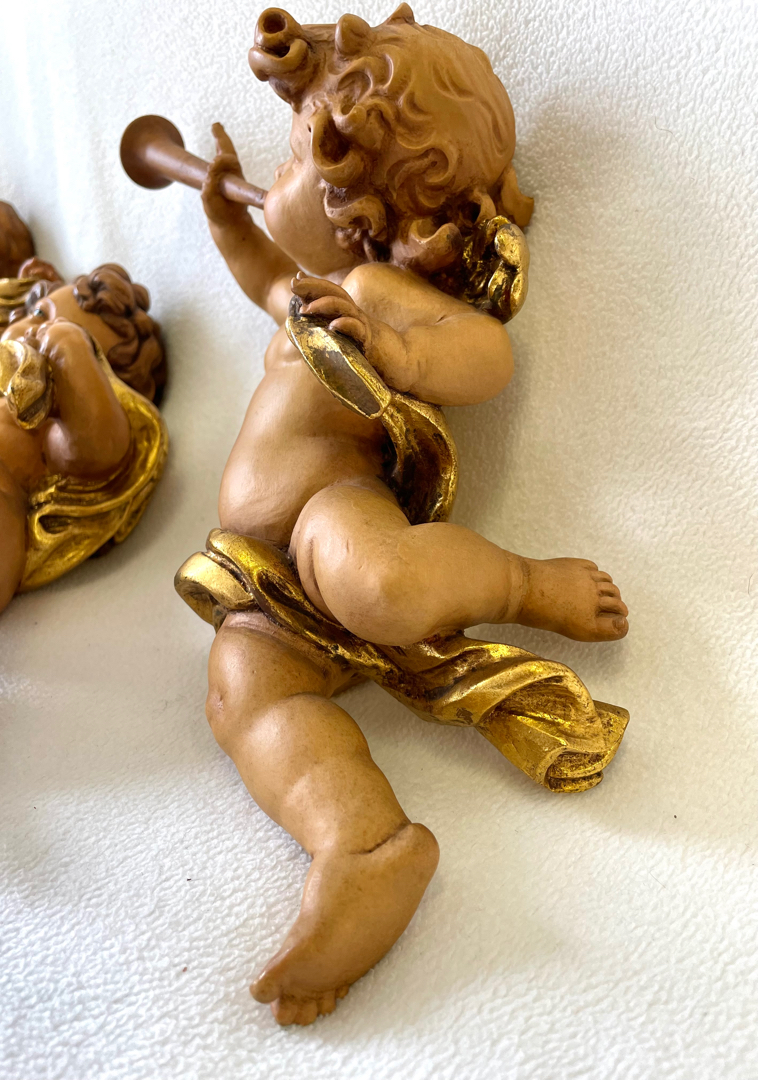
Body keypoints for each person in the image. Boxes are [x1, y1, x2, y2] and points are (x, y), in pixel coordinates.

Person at [196, 4, 628, 1025]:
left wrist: (395, 352)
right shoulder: (313, 289)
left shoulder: (375, 290)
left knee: (377, 582)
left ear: (360, 205)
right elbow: (268, 281)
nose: (275, 176)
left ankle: (524, 583)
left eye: (291, 158)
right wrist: (227, 226)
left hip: (331, 513)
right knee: (241, 695)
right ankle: (360, 842)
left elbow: (486, 354)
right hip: (262, 576)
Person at [0, 265, 168, 768]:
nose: (36, 332)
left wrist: (70, 354)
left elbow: (96, 450)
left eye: (64, 332)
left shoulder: (48, 434)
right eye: (39, 314)